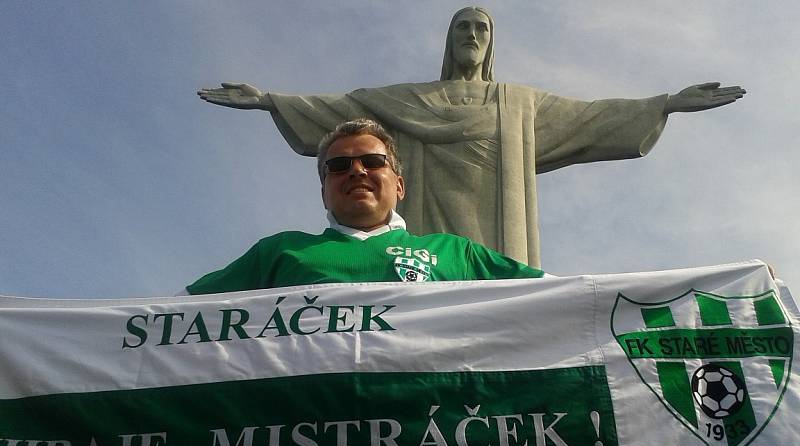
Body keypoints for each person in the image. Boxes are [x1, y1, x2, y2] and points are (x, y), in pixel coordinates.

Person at [197, 7, 745, 268]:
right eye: (463, 27)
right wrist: (270, 99)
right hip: (422, 232)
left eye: (481, 28)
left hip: (496, 230)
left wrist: (664, 103)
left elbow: (591, 117)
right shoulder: (403, 101)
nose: (472, 35)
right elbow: (341, 111)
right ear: (449, 39)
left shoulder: (518, 104)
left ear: (491, 42)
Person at [185, 119, 543, 295]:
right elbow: (169, 318)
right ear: (324, 192)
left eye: (372, 161)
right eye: (339, 167)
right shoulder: (278, 253)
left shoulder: (457, 253)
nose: (357, 170)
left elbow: (559, 298)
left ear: (399, 185)